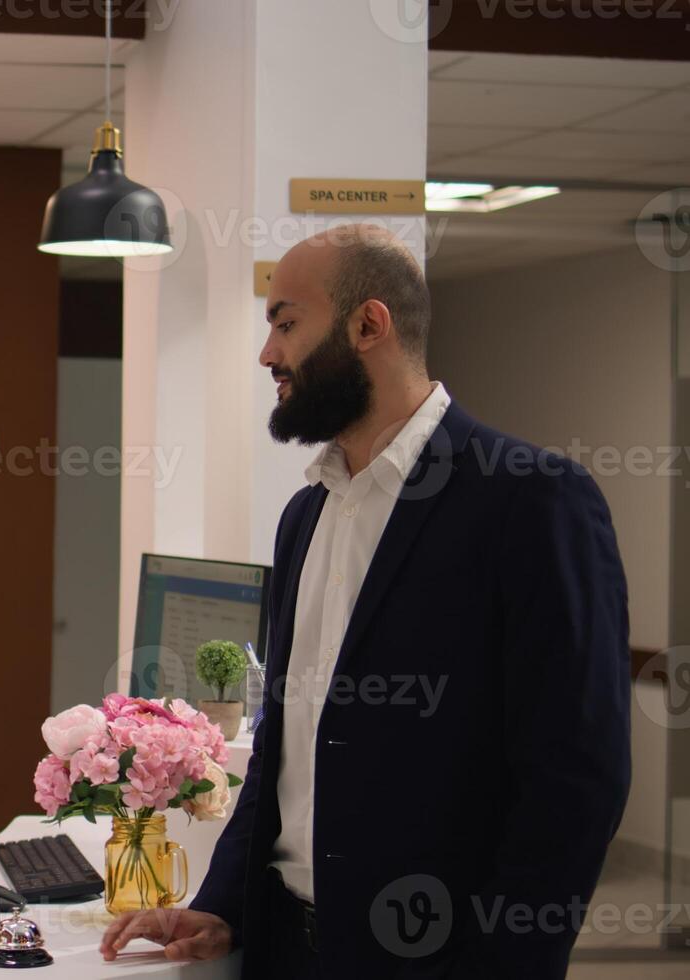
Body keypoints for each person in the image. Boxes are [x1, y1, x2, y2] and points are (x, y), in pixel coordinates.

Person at [101, 224, 630, 977]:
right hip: (286, 950)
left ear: (368, 325)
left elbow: (577, 779)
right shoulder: (305, 515)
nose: (267, 354)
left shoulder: (530, 498)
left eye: (286, 323)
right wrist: (223, 903)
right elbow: (285, 746)